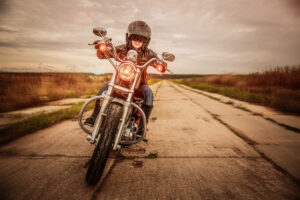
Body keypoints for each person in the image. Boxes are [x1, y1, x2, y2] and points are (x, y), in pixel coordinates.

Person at [85, 20, 164, 128]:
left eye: (141, 38)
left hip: (139, 85)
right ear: (129, 37)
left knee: (149, 94)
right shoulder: (122, 48)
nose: (137, 40)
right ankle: (94, 117)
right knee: (104, 86)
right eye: (134, 37)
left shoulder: (149, 54)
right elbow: (103, 55)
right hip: (120, 80)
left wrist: (161, 64)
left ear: (146, 41)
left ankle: (142, 127)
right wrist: (102, 48)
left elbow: (159, 63)